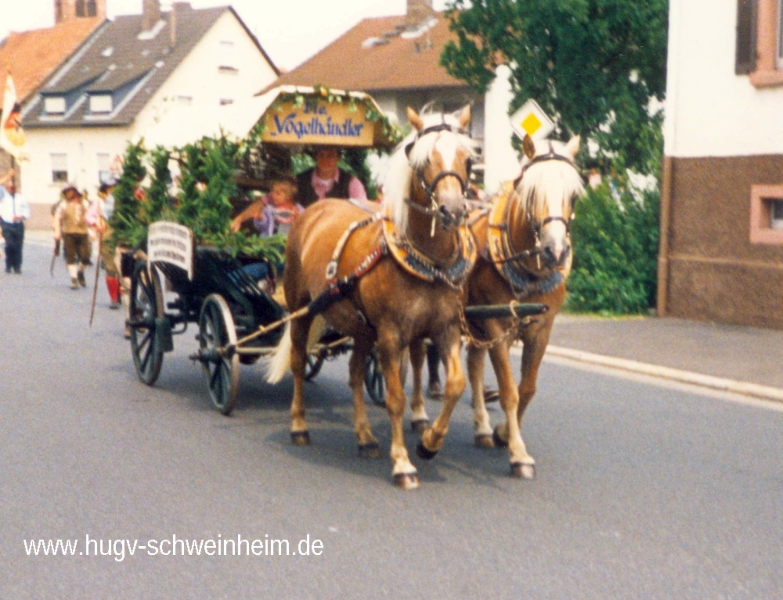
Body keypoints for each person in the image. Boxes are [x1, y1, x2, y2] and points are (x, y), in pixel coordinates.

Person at [232, 179, 303, 282]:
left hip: (287, 251)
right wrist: (260, 219)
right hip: (270, 248)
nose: (273, 195)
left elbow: (304, 228)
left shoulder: (298, 210)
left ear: (289, 196)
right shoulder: (269, 209)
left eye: (278, 193)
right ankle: (237, 278)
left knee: (278, 266)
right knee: (265, 267)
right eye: (272, 192)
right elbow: (262, 227)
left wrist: (299, 220)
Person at [86, 181, 121, 309]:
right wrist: (97, 223)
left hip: (123, 237)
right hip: (108, 236)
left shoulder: (127, 199)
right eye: (110, 189)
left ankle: (121, 292)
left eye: (115, 188)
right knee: (111, 268)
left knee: (124, 269)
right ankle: (114, 297)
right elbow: (90, 217)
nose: (112, 191)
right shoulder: (100, 203)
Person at [295, 146, 367, 208]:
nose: (325, 159)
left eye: (330, 155)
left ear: (339, 158)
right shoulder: (299, 181)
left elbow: (362, 210)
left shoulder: (352, 183)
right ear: (316, 156)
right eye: (321, 155)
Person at [53, 184, 92, 289]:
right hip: (69, 233)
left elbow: (92, 217)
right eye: (67, 192)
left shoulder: (85, 203)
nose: (69, 194)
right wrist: (57, 231)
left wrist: (94, 231)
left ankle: (80, 272)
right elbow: (58, 218)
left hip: (83, 233)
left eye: (70, 191)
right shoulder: (63, 205)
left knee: (86, 257)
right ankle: (74, 278)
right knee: (71, 256)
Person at [0, 169, 30, 274]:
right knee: (10, 245)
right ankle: (9, 264)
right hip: (7, 224)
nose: (11, 188)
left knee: (18, 246)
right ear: (6, 188)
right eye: (9, 187)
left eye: (13, 187)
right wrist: (8, 176)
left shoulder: (20, 198)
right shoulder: (3, 196)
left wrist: (20, 216)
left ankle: (17, 266)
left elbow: (27, 211)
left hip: (18, 225)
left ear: (15, 188)